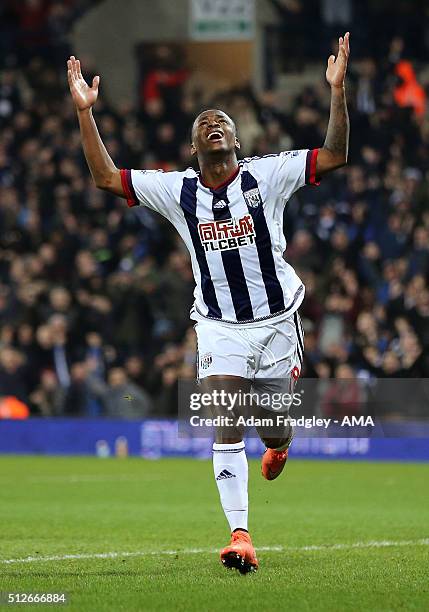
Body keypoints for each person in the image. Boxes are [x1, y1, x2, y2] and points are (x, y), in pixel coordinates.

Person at [67, 32, 350, 574]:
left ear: (239, 142)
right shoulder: (179, 190)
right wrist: (86, 114)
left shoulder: (267, 174)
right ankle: (240, 535)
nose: (212, 124)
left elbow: (335, 154)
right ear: (195, 147)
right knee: (225, 415)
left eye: (221, 120)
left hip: (276, 323)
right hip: (219, 326)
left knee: (274, 427)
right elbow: (105, 176)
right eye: (203, 124)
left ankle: (279, 446)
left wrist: (337, 92)